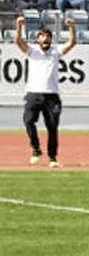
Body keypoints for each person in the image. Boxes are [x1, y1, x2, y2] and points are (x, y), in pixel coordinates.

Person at [15, 14, 77, 168]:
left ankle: (52, 157)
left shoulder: (55, 51)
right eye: (42, 36)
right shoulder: (33, 51)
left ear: (51, 39)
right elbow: (18, 41)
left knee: (52, 127)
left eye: (48, 36)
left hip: (51, 95)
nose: (45, 39)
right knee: (28, 121)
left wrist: (72, 28)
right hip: (33, 93)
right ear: (37, 40)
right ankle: (36, 149)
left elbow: (72, 43)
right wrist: (19, 26)